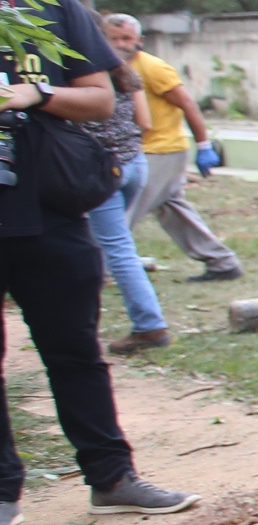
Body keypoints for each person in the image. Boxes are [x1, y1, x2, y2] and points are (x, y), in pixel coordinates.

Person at [0, 0, 198, 525]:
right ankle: (2, 490)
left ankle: (111, 478)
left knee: (75, 351)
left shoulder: (46, 7)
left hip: (50, 213)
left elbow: (100, 98)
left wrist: (35, 95)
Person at [99, 14, 240, 283]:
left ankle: (103, 267)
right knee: (173, 209)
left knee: (121, 213)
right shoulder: (107, 69)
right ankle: (222, 263)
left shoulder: (152, 67)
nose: (120, 44)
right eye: (113, 38)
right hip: (137, 149)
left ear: (139, 41)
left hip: (161, 150)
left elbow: (187, 104)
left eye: (127, 38)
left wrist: (203, 145)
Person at [76, 28, 168, 354]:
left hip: (102, 169)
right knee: (107, 243)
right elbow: (144, 121)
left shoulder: (76, 75)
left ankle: (149, 324)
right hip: (134, 164)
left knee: (116, 248)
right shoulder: (122, 70)